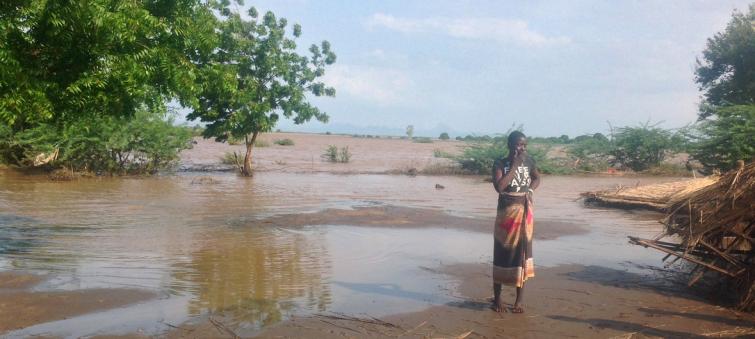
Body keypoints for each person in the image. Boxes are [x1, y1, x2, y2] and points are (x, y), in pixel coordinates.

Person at [491, 131, 541, 313]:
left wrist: (530, 191)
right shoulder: (500, 163)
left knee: (522, 253)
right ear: (509, 145)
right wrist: (514, 165)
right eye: (518, 145)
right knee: (502, 252)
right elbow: (500, 187)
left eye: (524, 145)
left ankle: (519, 301)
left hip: (525, 210)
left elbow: (537, 178)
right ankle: (497, 299)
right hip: (506, 212)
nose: (522, 149)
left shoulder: (529, 161)